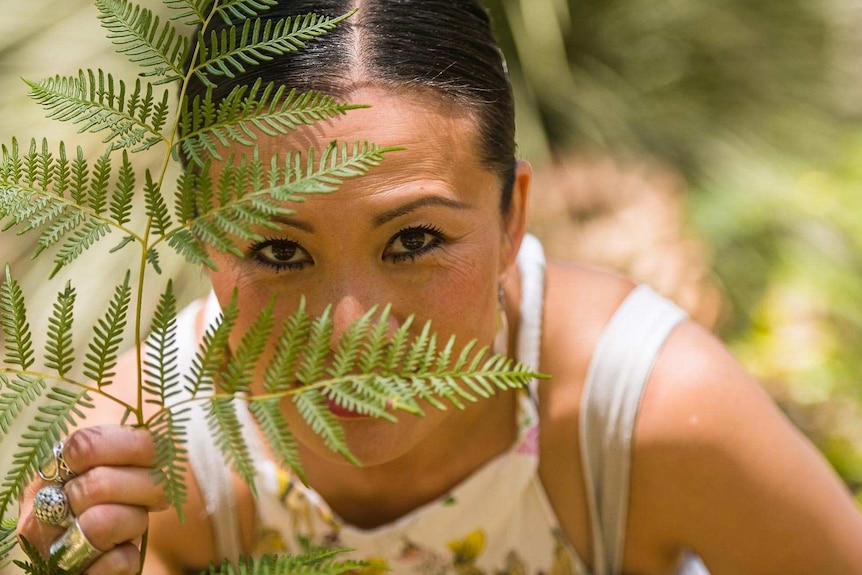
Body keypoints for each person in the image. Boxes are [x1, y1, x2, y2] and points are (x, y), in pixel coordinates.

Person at [16, 1, 862, 573]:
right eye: (278, 250)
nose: (347, 328)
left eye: (414, 239)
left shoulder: (643, 412)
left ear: (511, 217)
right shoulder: (152, 455)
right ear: (204, 239)